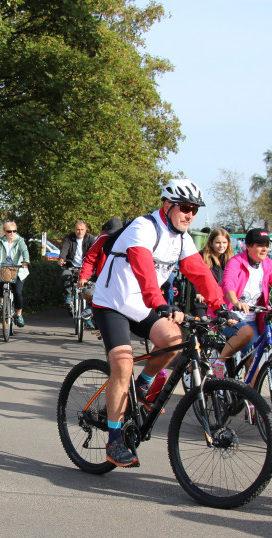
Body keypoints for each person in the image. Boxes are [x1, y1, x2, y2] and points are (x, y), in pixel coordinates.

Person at [91, 179, 231, 468]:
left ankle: (142, 386)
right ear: (168, 206)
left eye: (195, 210)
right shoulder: (143, 227)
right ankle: (114, 440)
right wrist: (160, 303)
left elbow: (200, 273)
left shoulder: (182, 238)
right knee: (122, 364)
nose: (191, 214)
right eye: (186, 208)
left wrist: (223, 308)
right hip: (113, 304)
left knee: (174, 340)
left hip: (142, 306)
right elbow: (143, 269)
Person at [213, 228, 272, 377]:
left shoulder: (268, 264)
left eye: (267, 245)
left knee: (252, 360)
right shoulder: (236, 262)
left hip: (251, 319)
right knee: (247, 333)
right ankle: (219, 362)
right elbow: (228, 283)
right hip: (229, 315)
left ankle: (249, 399)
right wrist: (236, 302)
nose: (265, 249)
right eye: (260, 245)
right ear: (248, 246)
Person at [0, 220, 30, 327]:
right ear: (5, 232)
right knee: (2, 281)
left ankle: (19, 314)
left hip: (19, 269)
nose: (12, 234)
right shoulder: (1, 241)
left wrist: (26, 261)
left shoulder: (20, 240)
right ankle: (1, 300)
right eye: (9, 231)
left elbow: (24, 251)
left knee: (17, 291)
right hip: (5, 268)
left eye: (14, 231)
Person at [191, 227, 234, 318]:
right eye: (218, 243)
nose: (221, 246)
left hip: (220, 299)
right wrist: (198, 293)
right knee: (202, 326)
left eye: (224, 243)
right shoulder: (202, 256)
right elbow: (194, 277)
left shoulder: (230, 259)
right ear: (211, 243)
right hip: (203, 298)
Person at [58, 220, 96, 305]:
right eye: (78, 229)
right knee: (65, 276)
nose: (80, 232)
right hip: (71, 266)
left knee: (91, 283)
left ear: (86, 230)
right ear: (74, 230)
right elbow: (64, 250)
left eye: (82, 229)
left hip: (86, 267)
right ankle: (69, 295)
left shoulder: (91, 239)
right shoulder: (68, 238)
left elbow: (94, 253)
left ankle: (89, 307)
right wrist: (62, 259)